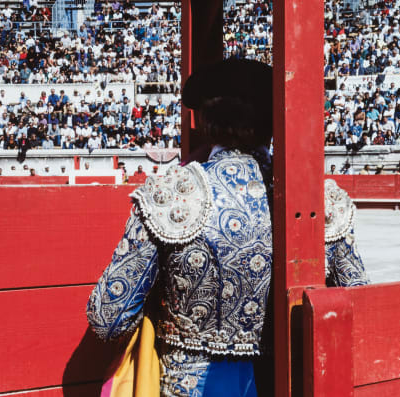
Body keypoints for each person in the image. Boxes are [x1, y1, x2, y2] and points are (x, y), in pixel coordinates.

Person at [86, 59, 368, 397]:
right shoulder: (323, 200)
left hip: (190, 384)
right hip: (289, 383)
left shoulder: (171, 192)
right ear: (275, 120)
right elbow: (360, 309)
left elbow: (107, 317)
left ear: (205, 120)